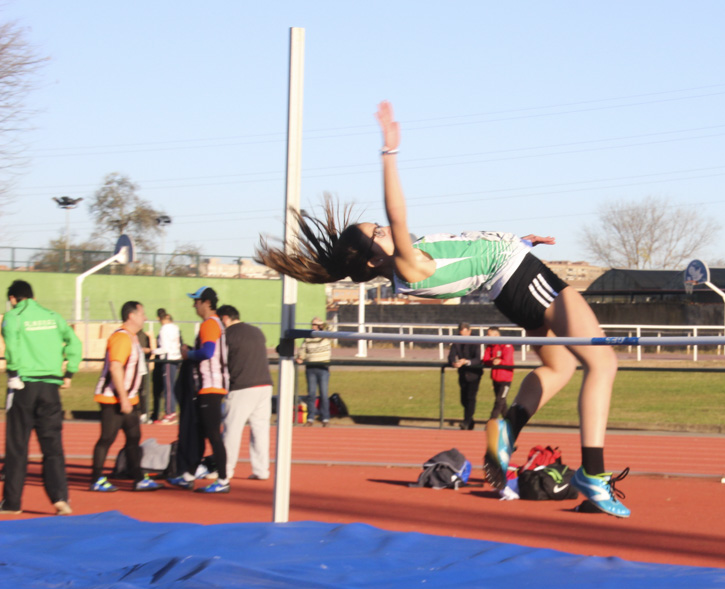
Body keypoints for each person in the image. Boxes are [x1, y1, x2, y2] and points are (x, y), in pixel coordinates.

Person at [256, 101, 629, 518]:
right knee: (603, 363)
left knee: (560, 367)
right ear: (373, 261)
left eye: (378, 226)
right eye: (376, 233)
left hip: (512, 282)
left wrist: (516, 243)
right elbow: (397, 212)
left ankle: (508, 429)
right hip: (521, 280)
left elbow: (468, 249)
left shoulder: (409, 258)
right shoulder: (407, 264)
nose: (383, 229)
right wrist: (389, 154)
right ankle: (592, 475)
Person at [1, 280, 82, 516]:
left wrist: (14, 371)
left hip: (23, 385)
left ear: (14, 299)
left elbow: (12, 346)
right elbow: (74, 343)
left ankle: (13, 502)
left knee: (17, 446)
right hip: (50, 387)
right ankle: (60, 499)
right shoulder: (53, 316)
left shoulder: (13, 316)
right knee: (53, 447)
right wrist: (70, 372)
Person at [89, 301, 163, 493]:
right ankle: (96, 478)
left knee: (134, 437)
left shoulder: (133, 338)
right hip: (113, 399)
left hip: (129, 399)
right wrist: (122, 398)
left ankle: (138, 478)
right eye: (142, 313)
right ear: (131, 315)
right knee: (107, 438)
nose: (145, 317)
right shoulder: (121, 338)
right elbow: (115, 367)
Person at [167, 286, 231, 493]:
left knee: (212, 434)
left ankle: (223, 481)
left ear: (206, 302)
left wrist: (188, 355)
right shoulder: (215, 324)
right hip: (210, 387)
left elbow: (208, 352)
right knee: (201, 433)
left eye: (196, 301)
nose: (193, 305)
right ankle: (188, 475)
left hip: (210, 387)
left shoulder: (209, 324)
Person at [217, 304, 273, 480]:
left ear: (225, 318)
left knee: (232, 430)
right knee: (260, 429)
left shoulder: (228, 335)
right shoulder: (257, 331)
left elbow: (221, 360)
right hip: (264, 384)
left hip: (242, 385)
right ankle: (261, 469)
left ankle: (225, 469)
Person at [295, 316, 332, 427]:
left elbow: (329, 329)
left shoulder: (326, 336)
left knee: (324, 394)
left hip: (323, 368)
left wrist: (321, 323)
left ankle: (325, 417)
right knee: (311, 394)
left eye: (315, 325)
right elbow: (303, 349)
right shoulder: (308, 337)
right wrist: (300, 357)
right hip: (311, 368)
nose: (313, 327)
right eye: (312, 325)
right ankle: (310, 418)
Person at [446, 322, 483, 430]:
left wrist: (466, 361)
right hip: (462, 373)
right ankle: (470, 421)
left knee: (471, 398)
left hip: (474, 374)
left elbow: (477, 359)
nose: (462, 336)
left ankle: (466, 422)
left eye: (464, 333)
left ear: (469, 331)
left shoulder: (476, 341)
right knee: (463, 399)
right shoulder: (456, 341)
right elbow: (451, 356)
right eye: (460, 333)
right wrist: (454, 362)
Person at [152, 309, 182, 424]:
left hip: (168, 359)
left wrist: (153, 350)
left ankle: (170, 412)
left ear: (159, 318)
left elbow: (164, 348)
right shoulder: (175, 327)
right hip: (176, 358)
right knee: (172, 386)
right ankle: (171, 411)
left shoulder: (164, 329)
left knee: (168, 387)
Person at [481, 326, 514, 420]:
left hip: (505, 379)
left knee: (499, 402)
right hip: (495, 378)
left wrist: (499, 361)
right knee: (502, 404)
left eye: (488, 334)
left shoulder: (506, 345)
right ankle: (510, 423)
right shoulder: (490, 346)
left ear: (496, 334)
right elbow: (485, 359)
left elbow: (507, 360)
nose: (486, 336)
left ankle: (491, 422)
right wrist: (493, 361)